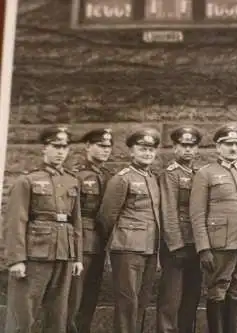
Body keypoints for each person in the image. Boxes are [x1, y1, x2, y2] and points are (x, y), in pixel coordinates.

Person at [4, 127, 83, 333]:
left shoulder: (72, 181)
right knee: (23, 313)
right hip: (34, 255)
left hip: (64, 253)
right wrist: (16, 259)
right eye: (56, 147)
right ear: (44, 149)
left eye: (64, 147)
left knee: (58, 314)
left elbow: (76, 222)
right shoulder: (27, 181)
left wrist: (77, 257)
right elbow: (15, 221)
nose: (60, 152)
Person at [190, 123, 237, 333]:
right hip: (221, 243)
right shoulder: (206, 174)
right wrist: (203, 248)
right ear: (218, 147)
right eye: (228, 144)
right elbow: (197, 214)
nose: (233, 148)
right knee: (218, 290)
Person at [98, 128, 162, 333]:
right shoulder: (122, 179)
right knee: (127, 302)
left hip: (150, 248)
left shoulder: (152, 178)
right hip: (127, 248)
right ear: (131, 151)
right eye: (142, 149)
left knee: (142, 300)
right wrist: (118, 241)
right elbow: (106, 217)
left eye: (151, 150)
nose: (147, 153)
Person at [157, 126, 203, 333]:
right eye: (183, 145)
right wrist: (175, 245)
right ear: (175, 148)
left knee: (191, 297)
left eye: (192, 146)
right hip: (177, 246)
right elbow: (168, 211)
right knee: (171, 299)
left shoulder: (198, 173)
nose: (188, 150)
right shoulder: (170, 175)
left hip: (197, 244)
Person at [67, 128, 113, 333]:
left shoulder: (108, 175)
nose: (106, 150)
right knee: (73, 297)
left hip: (99, 244)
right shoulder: (75, 174)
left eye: (108, 146)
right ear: (88, 146)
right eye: (101, 146)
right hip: (80, 244)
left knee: (90, 297)